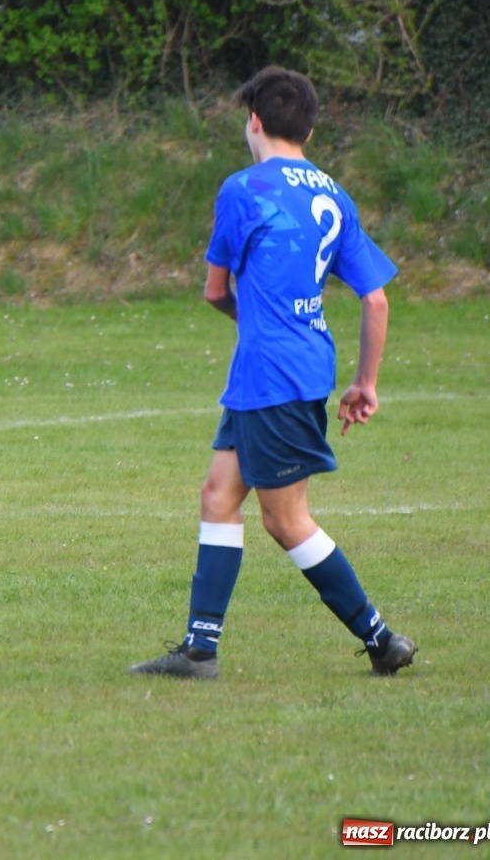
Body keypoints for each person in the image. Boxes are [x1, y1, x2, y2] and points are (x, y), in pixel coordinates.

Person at [129, 66, 413, 679]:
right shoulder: (335, 195)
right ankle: (199, 650)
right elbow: (376, 298)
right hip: (292, 368)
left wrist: (253, 318)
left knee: (286, 520)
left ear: (252, 120)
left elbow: (213, 291)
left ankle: (380, 638)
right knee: (218, 495)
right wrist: (366, 382)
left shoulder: (243, 189)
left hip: (272, 375)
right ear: (308, 128)